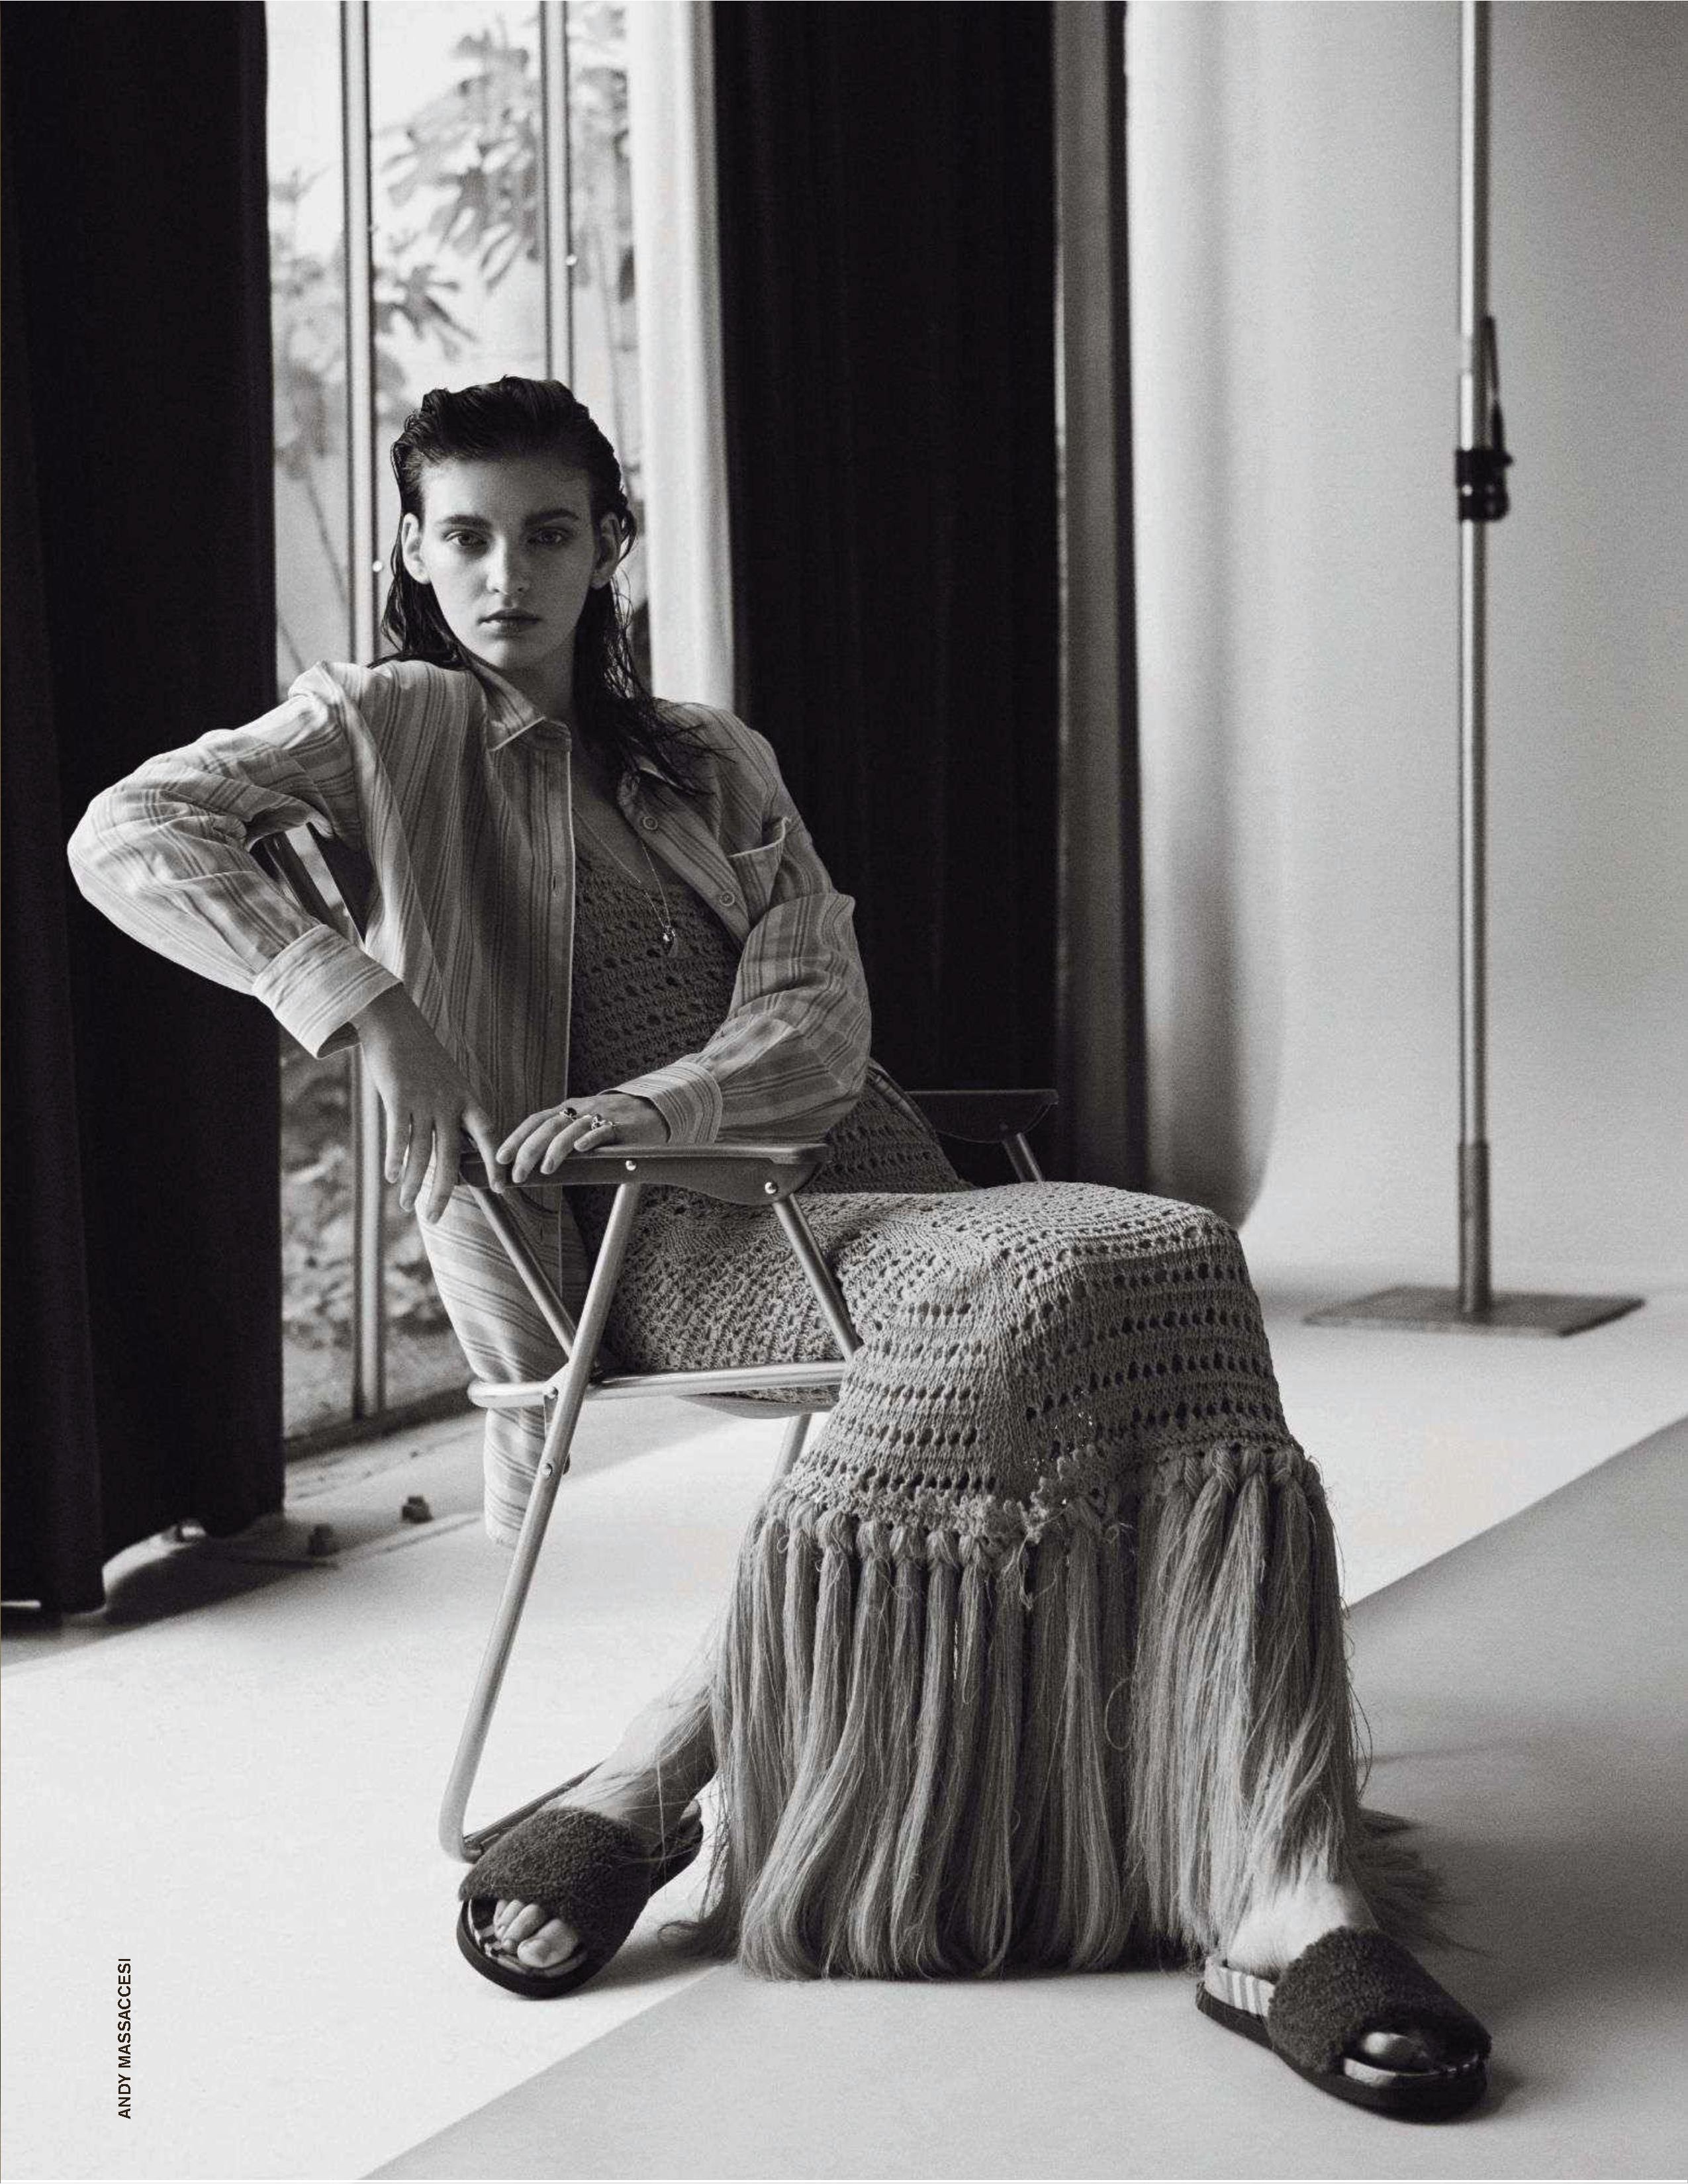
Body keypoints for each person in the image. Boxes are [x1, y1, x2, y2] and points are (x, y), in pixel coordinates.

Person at [68, 376, 1490, 2117]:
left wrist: (662, 1091)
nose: (507, 573)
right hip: (649, 1249)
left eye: (549, 532)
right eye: (466, 536)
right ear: (415, 554)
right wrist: (362, 1000)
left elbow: (820, 1005)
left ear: (610, 545)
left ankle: (1277, 1871)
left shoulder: (711, 758)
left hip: (868, 1186)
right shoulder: (390, 725)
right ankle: (680, 1768)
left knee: (1180, 1244)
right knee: (1035, 1287)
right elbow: (130, 831)